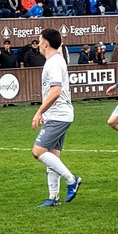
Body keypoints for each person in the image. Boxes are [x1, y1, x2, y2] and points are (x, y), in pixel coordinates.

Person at [31, 28, 81, 208]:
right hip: (59, 114)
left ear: (45, 44)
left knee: (38, 151)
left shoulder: (54, 63)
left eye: (40, 41)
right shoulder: (55, 61)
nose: (38, 45)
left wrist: (39, 112)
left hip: (59, 115)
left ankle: (71, 180)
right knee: (52, 155)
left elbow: (56, 91)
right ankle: (54, 197)